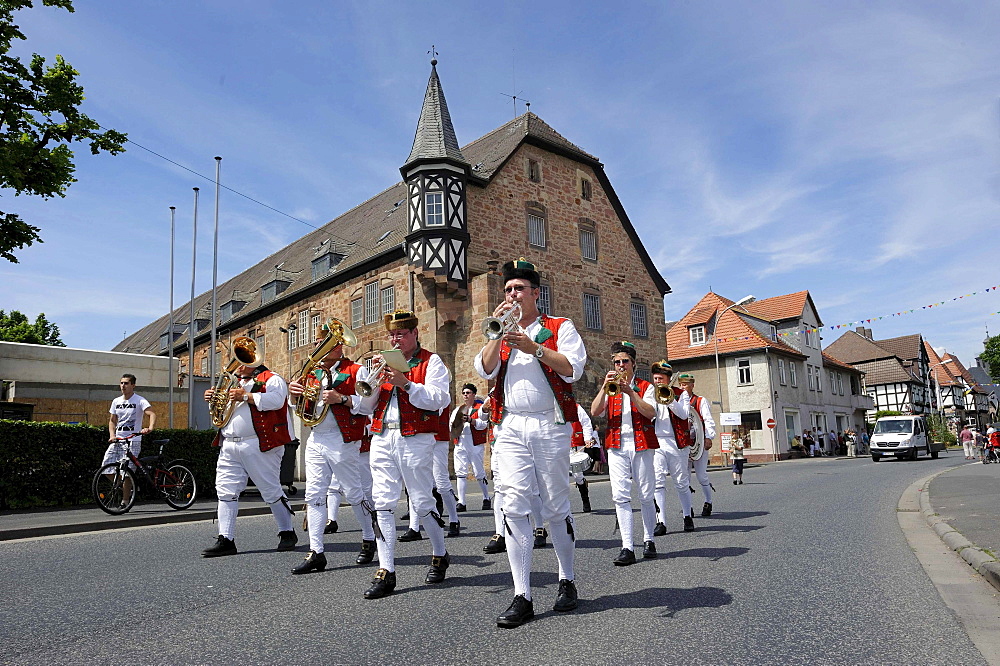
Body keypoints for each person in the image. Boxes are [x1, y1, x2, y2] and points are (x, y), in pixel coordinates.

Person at [476, 258, 587, 628]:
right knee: (512, 504)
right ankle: (522, 594)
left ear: (535, 293)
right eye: (508, 290)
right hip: (510, 427)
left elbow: (572, 369)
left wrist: (533, 347)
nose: (512, 295)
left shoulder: (559, 326)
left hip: (549, 424)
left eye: (519, 289)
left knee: (555, 506)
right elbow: (485, 370)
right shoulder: (501, 333)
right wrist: (496, 335)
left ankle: (566, 579)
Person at [358, 309, 451, 599]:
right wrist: (372, 379)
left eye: (401, 334)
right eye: (392, 335)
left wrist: (406, 383)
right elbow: (363, 407)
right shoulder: (383, 363)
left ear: (414, 334)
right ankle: (386, 570)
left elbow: (440, 399)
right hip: (382, 435)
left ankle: (439, 553)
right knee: (383, 503)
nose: (395, 339)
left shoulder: (431, 361)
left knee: (422, 502)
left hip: (416, 436)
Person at [287, 320, 377, 574]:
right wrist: (295, 396)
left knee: (353, 492)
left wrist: (343, 399)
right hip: (317, 437)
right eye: (317, 343)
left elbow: (369, 405)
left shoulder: (356, 370)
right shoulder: (312, 373)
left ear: (338, 347)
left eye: (323, 343)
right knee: (314, 495)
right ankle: (316, 551)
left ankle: (369, 537)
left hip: (343, 438)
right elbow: (304, 410)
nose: (318, 347)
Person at [202, 364, 298, 557]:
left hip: (260, 443)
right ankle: (226, 539)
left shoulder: (271, 378)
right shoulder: (230, 382)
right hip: (229, 443)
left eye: (241, 361)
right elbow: (221, 410)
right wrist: (213, 398)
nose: (237, 365)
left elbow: (277, 401)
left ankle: (287, 531)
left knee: (270, 490)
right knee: (225, 490)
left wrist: (245, 396)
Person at [592, 341, 660, 565]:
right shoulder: (610, 386)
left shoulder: (645, 386)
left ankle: (649, 539)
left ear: (633, 363)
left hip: (641, 443)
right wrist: (604, 387)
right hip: (617, 445)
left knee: (646, 494)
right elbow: (595, 411)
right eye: (617, 362)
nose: (621, 365)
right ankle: (627, 546)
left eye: (625, 362)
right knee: (620, 496)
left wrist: (630, 392)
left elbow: (650, 412)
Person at [646, 362, 694, 537]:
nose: (657, 381)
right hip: (657, 441)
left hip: (676, 442)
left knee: (681, 482)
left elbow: (683, 414)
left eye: (660, 379)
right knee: (658, 481)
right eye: (655, 378)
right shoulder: (650, 392)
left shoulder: (682, 394)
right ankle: (661, 521)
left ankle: (687, 515)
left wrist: (669, 399)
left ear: (668, 379)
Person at [102, 374, 156, 504]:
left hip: (133, 440)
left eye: (126, 383)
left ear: (133, 385)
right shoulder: (116, 401)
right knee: (105, 468)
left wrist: (150, 428)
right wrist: (112, 435)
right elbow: (112, 421)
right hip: (118, 440)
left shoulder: (139, 400)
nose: (123, 386)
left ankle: (125, 501)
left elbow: (152, 413)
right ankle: (129, 486)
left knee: (127, 471)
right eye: (121, 383)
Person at [677, 373, 717, 517]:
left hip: (699, 443)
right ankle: (688, 507)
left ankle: (708, 501)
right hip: (683, 444)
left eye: (686, 384)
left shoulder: (700, 401)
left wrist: (708, 437)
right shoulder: (677, 401)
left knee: (701, 476)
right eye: (681, 384)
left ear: (692, 385)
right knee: (684, 477)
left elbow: (708, 420)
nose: (683, 387)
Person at [451, 384, 491, 513]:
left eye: (468, 392)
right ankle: (461, 502)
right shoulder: (457, 410)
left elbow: (483, 425)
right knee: (460, 472)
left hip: (474, 442)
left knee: (478, 472)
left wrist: (470, 420)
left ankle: (486, 497)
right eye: (463, 393)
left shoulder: (479, 409)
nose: (465, 395)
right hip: (460, 441)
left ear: (473, 394)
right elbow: (451, 425)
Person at [569, 402, 595, 513]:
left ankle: (585, 500)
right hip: (558, 444)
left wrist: (588, 438)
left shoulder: (576, 407)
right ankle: (563, 507)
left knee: (577, 474)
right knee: (559, 476)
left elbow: (586, 422)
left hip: (575, 442)